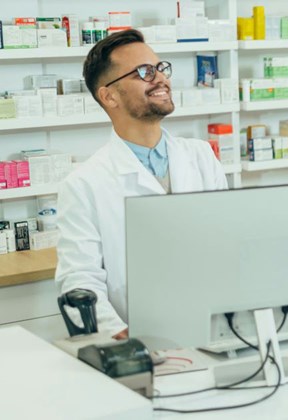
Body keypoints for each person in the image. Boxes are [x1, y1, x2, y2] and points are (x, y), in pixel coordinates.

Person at [55, 29, 228, 339]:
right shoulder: (83, 184)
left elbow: (229, 243)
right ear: (109, 96)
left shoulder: (201, 156)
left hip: (214, 329)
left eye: (161, 68)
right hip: (138, 343)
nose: (160, 79)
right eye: (144, 72)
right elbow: (80, 282)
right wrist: (125, 338)